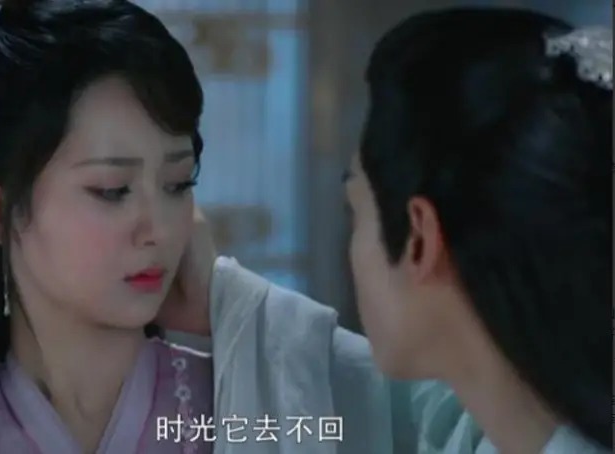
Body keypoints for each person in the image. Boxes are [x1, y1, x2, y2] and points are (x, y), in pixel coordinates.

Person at [0, 1, 383, 453]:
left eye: (178, 184)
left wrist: (228, 303)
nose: (159, 229)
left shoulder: (246, 404)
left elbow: (400, 409)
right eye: (112, 190)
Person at [168, 7, 612, 454]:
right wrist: (218, 306)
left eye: (356, 212)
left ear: (419, 239)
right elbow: (351, 401)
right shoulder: (503, 415)